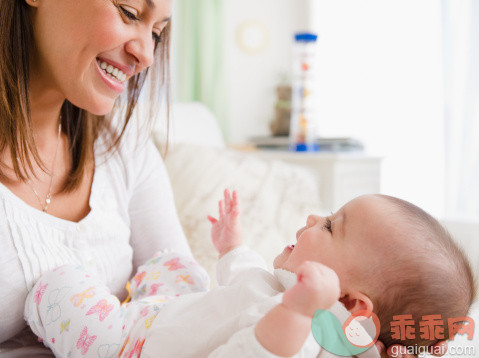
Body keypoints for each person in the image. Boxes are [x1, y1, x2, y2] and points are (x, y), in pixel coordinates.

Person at [24, 191, 475, 357]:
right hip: (180, 316)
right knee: (172, 265)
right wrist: (232, 244)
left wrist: (297, 313)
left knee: (58, 285)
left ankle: (82, 299)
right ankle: (146, 291)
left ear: (352, 304)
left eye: (332, 225)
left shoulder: (306, 339)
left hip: (134, 347)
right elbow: (250, 277)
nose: (315, 216)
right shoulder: (288, 290)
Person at [0, 0, 194, 356]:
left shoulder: (124, 148)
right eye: (130, 12)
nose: (147, 55)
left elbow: (187, 310)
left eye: (157, 33)